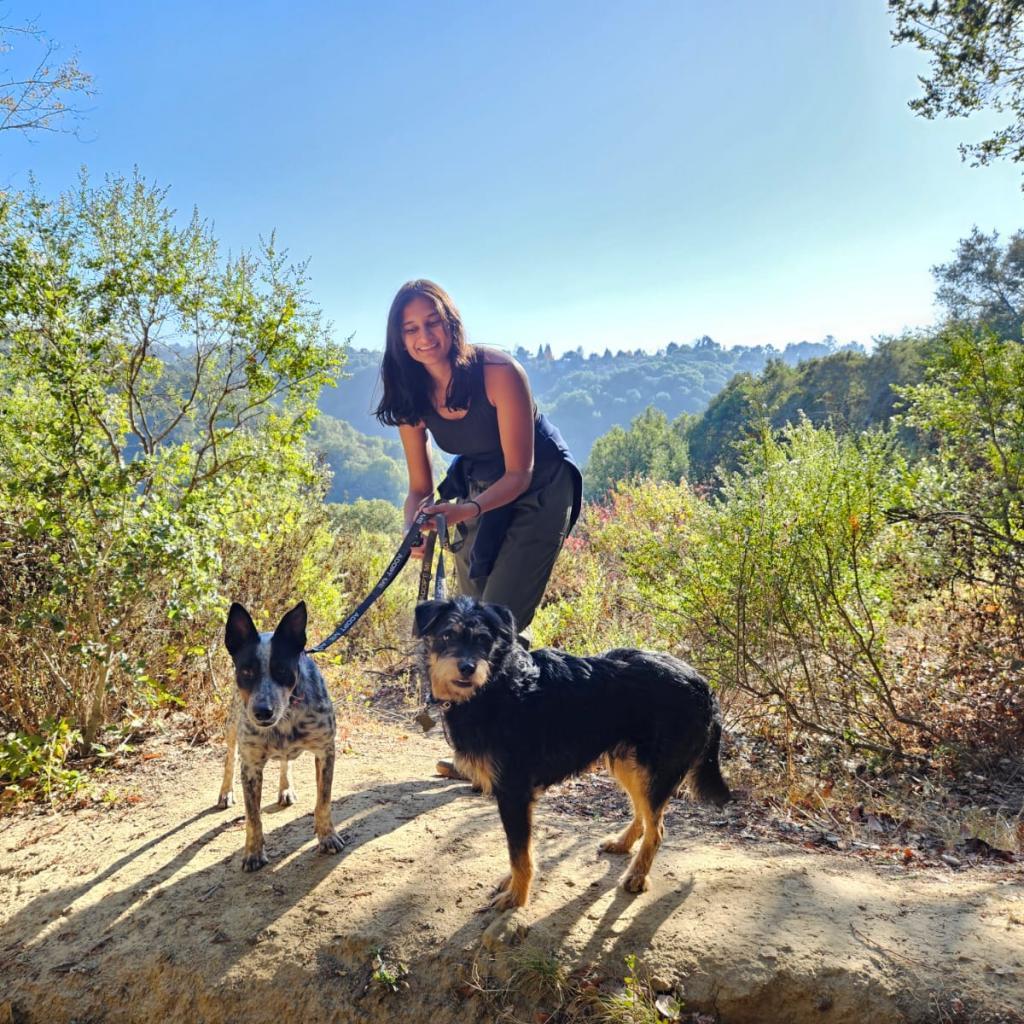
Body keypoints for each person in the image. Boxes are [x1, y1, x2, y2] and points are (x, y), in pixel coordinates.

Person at [375, 280, 582, 774]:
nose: (423, 336)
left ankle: (507, 753)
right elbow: (419, 488)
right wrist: (417, 529)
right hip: (476, 488)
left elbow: (520, 473)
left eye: (431, 322)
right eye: (410, 329)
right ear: (399, 339)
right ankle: (475, 750)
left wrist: (465, 511)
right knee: (467, 622)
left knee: (499, 618)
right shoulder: (410, 392)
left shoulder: (497, 371)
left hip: (539, 487)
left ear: (451, 322)